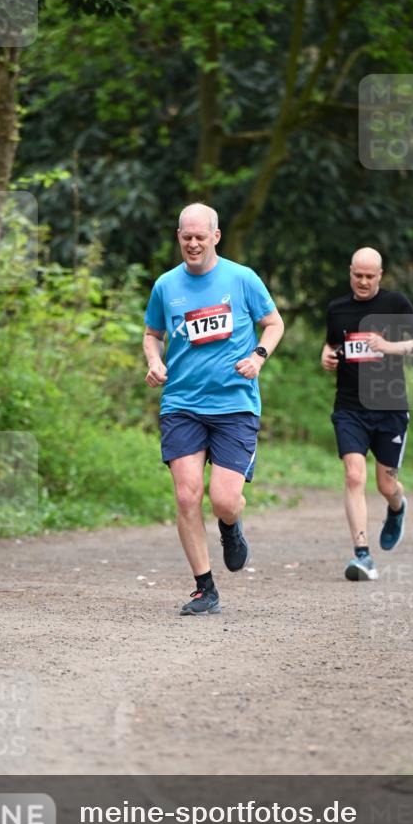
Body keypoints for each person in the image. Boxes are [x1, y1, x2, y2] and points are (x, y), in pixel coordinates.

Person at [143, 203, 284, 615]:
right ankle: (205, 588)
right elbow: (153, 333)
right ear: (178, 237)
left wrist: (258, 356)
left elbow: (273, 323)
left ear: (215, 237)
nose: (192, 243)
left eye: (200, 236)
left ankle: (230, 525)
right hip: (182, 404)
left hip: (235, 405)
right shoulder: (166, 285)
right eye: (185, 236)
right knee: (187, 497)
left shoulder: (242, 279)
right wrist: (154, 360)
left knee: (224, 500)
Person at [321, 247, 413, 581]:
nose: (364, 281)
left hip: (390, 409)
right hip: (349, 407)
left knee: (386, 485)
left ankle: (397, 508)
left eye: (371, 276)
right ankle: (362, 555)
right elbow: (332, 346)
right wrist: (326, 357)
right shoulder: (337, 309)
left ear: (380, 275)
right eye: (358, 275)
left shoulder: (396, 305)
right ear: (350, 272)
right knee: (354, 475)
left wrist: (390, 347)